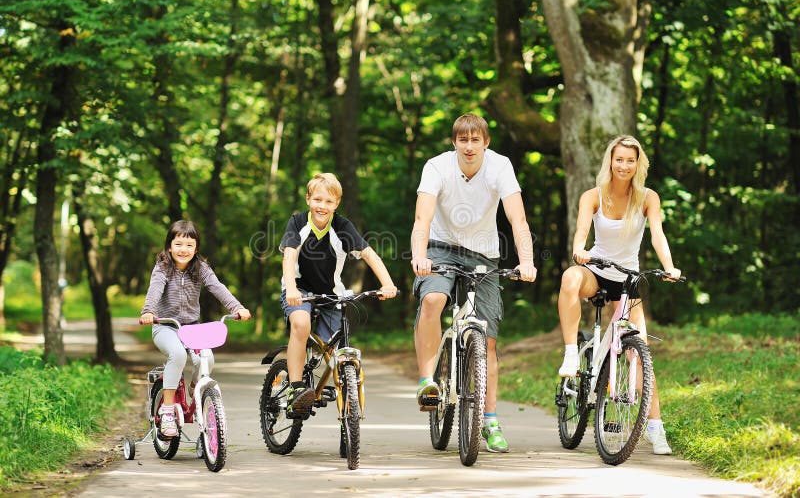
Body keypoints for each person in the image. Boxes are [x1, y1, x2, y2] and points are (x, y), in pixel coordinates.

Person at [410, 113, 537, 453]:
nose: (469, 146)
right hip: (440, 248)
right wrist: (420, 255)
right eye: (462, 140)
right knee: (434, 299)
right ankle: (427, 381)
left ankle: (490, 419)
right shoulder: (436, 167)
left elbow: (517, 217)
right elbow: (422, 217)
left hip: (483, 254)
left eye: (475, 140)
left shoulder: (500, 167)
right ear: (454, 143)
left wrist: (526, 261)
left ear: (485, 142)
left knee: (489, 342)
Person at [557, 134, 681, 455]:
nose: (624, 165)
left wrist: (668, 266)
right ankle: (572, 352)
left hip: (627, 278)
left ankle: (655, 429)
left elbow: (658, 235)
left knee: (638, 353)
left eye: (630, 160)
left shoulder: (648, 197)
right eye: (619, 159)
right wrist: (578, 250)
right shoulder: (593, 196)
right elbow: (581, 231)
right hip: (596, 271)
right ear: (610, 161)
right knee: (570, 278)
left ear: (638, 164)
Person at [280, 173, 398, 415]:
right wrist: (291, 288)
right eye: (317, 200)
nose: (322, 206)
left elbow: (368, 254)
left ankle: (348, 414)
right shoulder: (297, 223)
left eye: (329, 202)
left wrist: (387, 284)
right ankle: (295, 387)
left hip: (331, 293)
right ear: (308, 199)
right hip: (299, 290)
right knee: (300, 324)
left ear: (337, 203)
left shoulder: (342, 227)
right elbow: (289, 254)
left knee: (336, 352)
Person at [140, 220, 251, 438]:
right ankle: (169, 410)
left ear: (196, 248)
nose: (184, 250)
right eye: (179, 244)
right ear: (169, 246)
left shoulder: (200, 268)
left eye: (189, 245)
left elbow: (217, 287)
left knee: (206, 359)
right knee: (178, 354)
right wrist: (148, 311)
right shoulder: (163, 267)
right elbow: (155, 289)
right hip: (165, 326)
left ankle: (196, 389)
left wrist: (236, 307)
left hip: (191, 327)